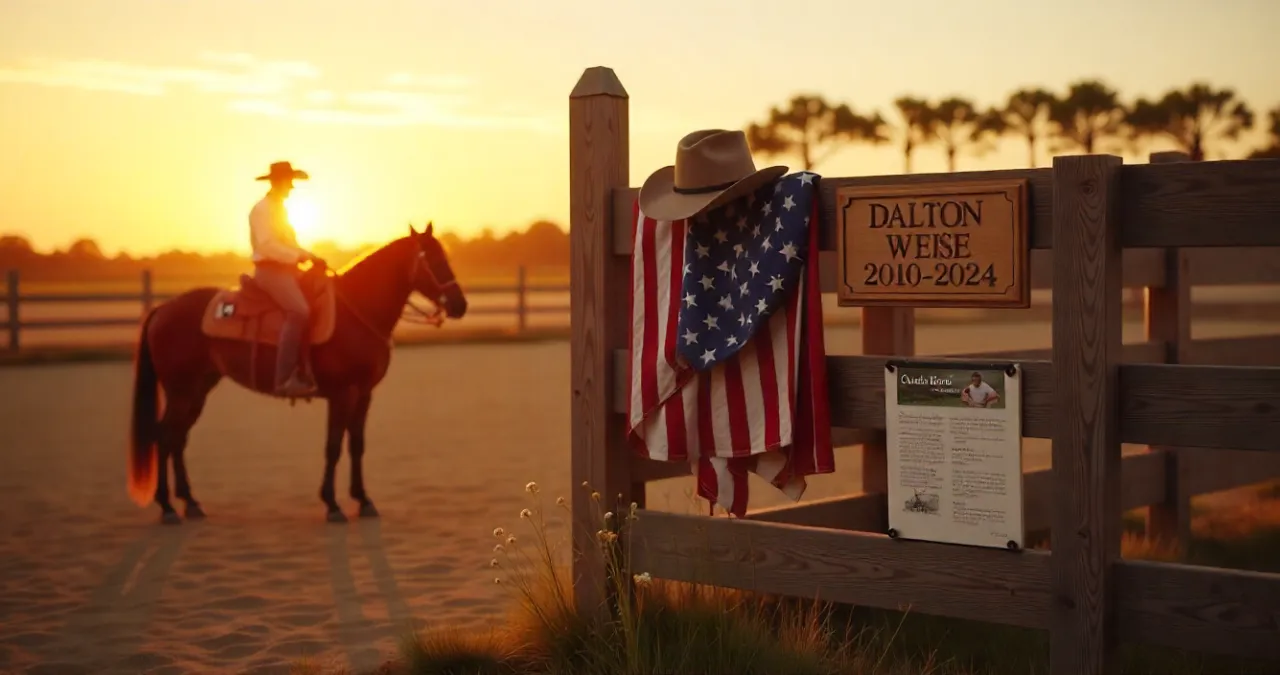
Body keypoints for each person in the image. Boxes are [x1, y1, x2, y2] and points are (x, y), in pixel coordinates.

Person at [249, 161, 324, 397]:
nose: (291, 187)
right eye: (289, 181)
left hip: (287, 270)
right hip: (270, 271)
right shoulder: (262, 209)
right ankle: (283, 379)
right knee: (299, 311)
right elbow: (268, 245)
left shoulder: (280, 210)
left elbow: (289, 243)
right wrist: (296, 257)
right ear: (278, 182)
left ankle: (309, 368)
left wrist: (310, 256)